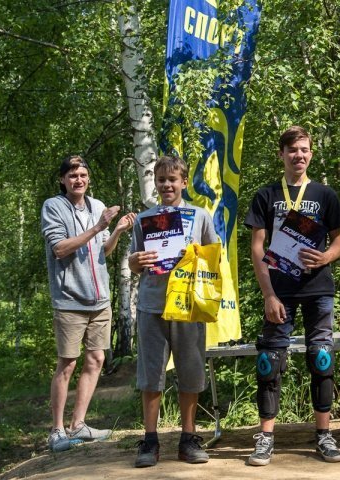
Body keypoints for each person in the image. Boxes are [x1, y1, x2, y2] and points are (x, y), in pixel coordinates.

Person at [244, 126, 340, 466]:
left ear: (311, 154)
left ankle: (324, 435)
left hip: (318, 287)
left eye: (304, 149)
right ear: (282, 154)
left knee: (321, 357)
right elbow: (257, 247)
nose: (298, 155)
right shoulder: (267, 195)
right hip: (280, 290)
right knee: (269, 361)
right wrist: (268, 294)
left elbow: (338, 241)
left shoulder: (325, 194)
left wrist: (326, 256)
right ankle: (265, 438)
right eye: (292, 150)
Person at [41, 155, 136, 452]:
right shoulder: (53, 206)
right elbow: (60, 249)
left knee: (96, 360)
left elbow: (103, 252)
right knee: (67, 363)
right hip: (69, 299)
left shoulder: (97, 206)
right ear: (62, 180)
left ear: (88, 178)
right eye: (72, 175)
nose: (78, 180)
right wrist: (98, 227)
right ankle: (57, 431)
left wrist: (116, 230)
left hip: (100, 299)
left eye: (82, 174)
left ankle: (79, 424)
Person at [129, 155, 217, 468]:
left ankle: (188, 439)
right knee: (151, 375)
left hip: (188, 306)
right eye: (161, 180)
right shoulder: (144, 219)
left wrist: (194, 254)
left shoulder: (200, 216)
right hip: (152, 305)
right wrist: (136, 261)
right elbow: (134, 263)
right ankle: (150, 441)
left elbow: (214, 256)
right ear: (155, 182)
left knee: (191, 373)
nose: (167, 185)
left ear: (184, 182)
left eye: (172, 179)